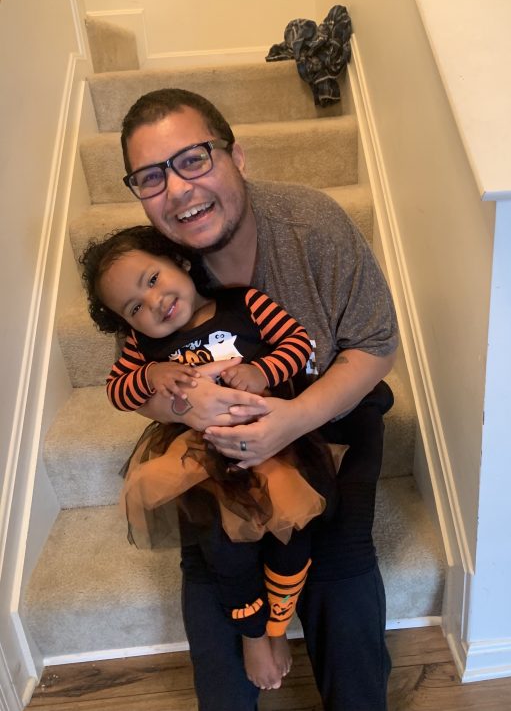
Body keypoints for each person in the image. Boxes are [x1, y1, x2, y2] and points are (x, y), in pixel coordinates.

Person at [118, 87, 398, 710]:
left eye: (194, 159)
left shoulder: (312, 225)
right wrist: (190, 406)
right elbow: (138, 384)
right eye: (151, 177)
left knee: (340, 563)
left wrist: (291, 419)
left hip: (330, 410)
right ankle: (248, 646)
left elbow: (376, 343)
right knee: (211, 559)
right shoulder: (151, 268)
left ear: (236, 155)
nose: (179, 190)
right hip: (211, 439)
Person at [80, 224, 345, 690]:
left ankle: (279, 626)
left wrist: (262, 370)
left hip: (278, 445)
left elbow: (298, 342)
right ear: (129, 325)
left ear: (179, 262)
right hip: (204, 460)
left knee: (293, 539)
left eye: (153, 279)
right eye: (135, 308)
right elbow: (117, 392)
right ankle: (252, 633)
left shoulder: (245, 304)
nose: (154, 302)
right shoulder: (144, 350)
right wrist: (153, 374)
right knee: (226, 552)